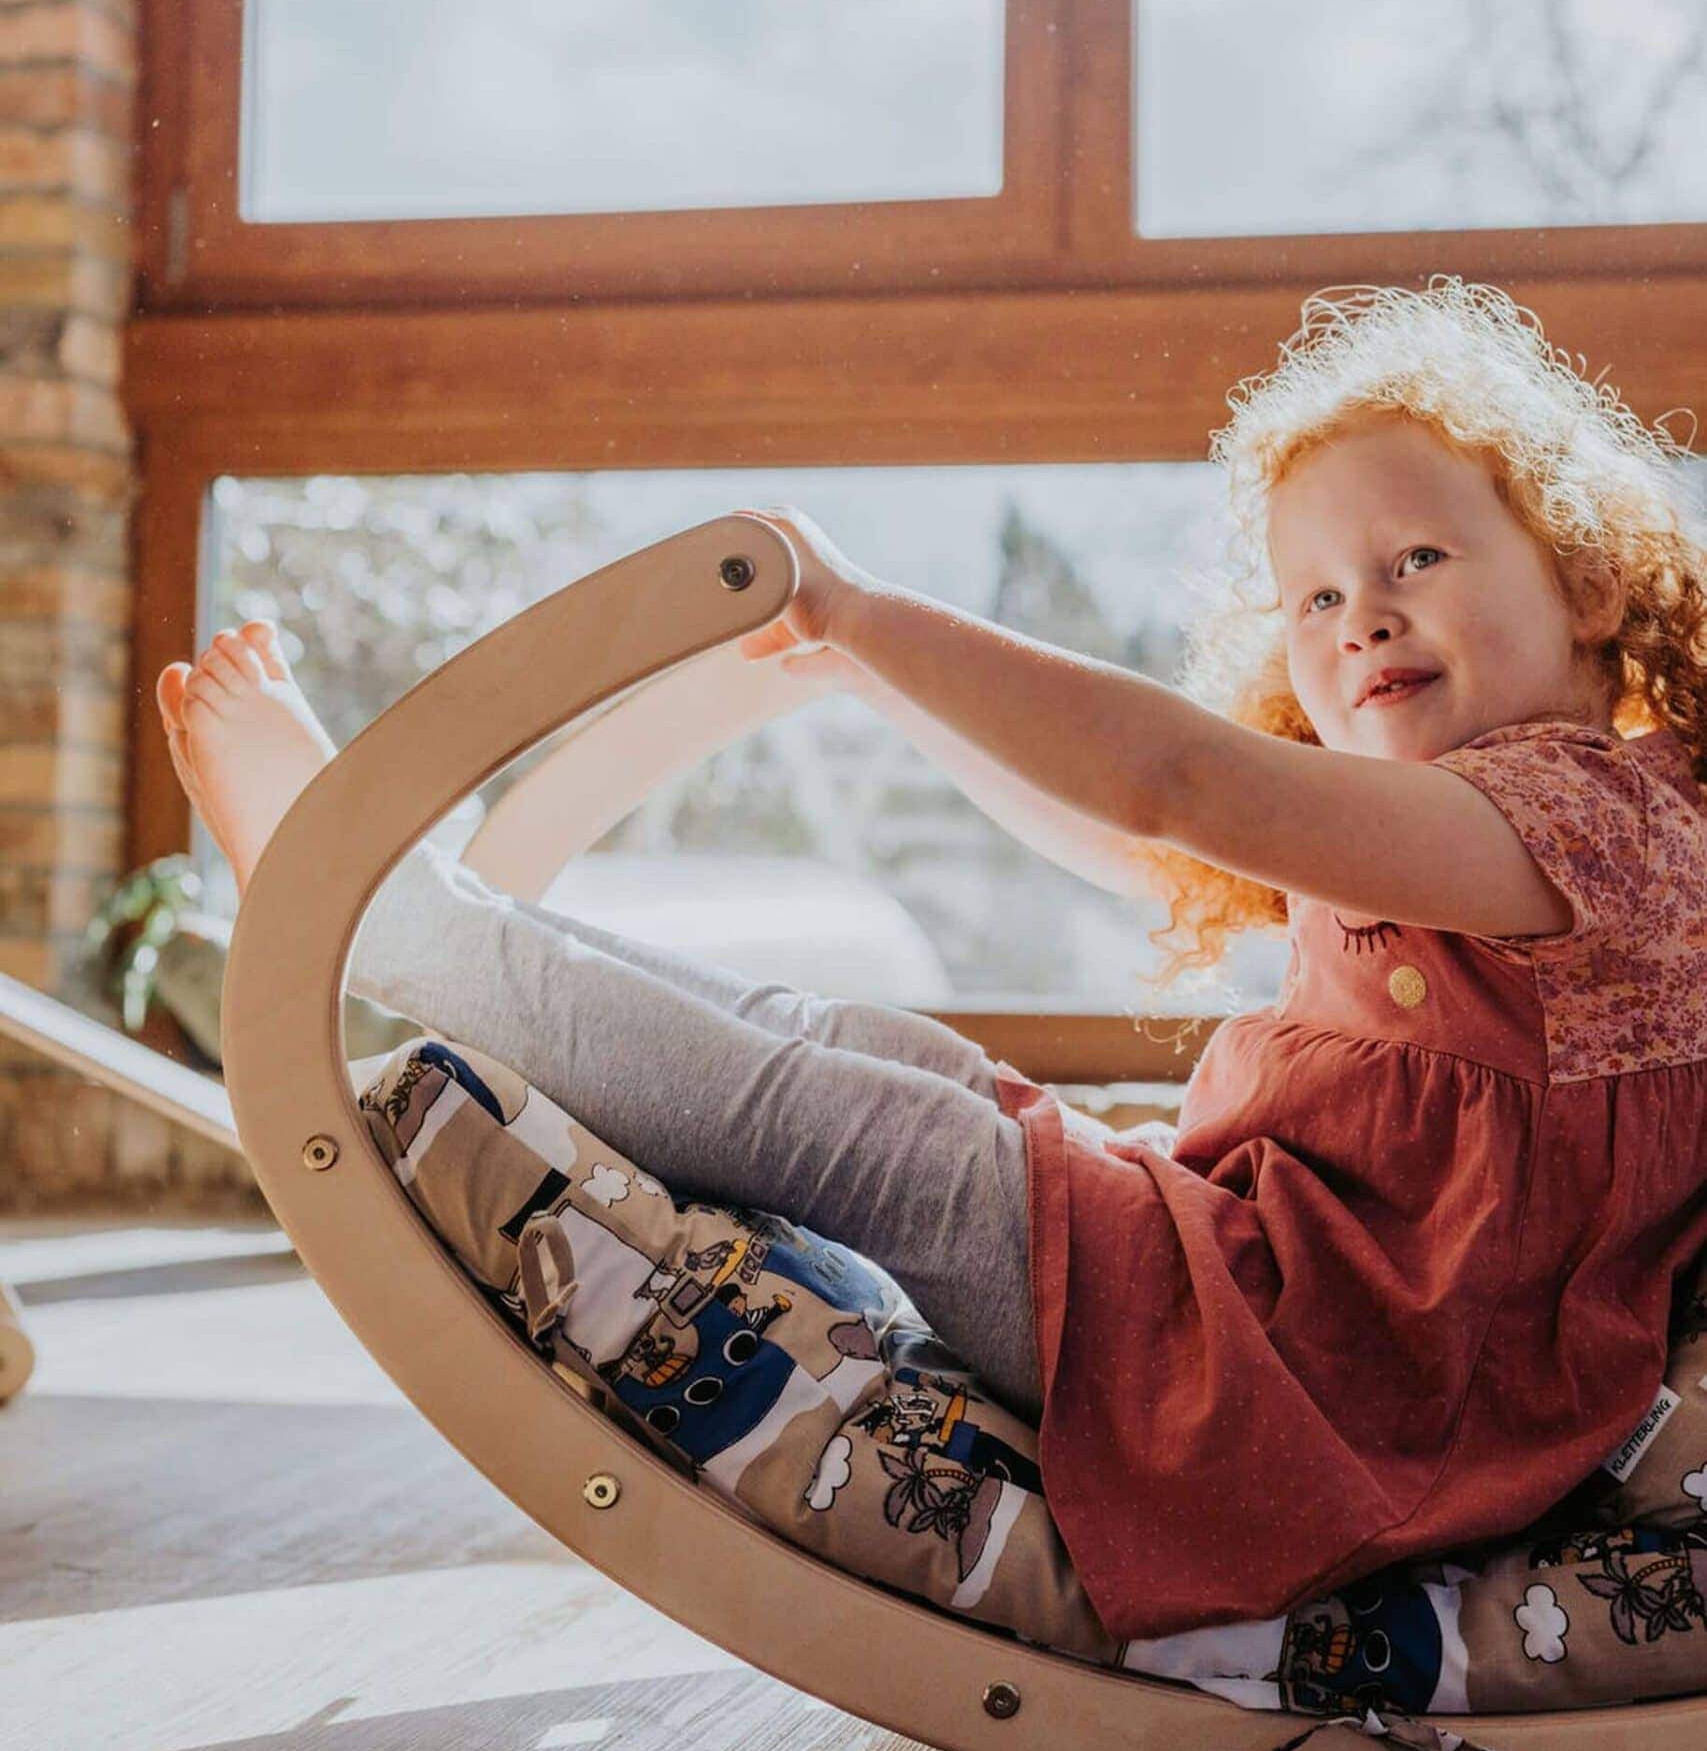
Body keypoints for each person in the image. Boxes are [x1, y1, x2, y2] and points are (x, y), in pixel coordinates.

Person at [155, 276, 1707, 1643]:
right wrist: (873, 680)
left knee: (873, 1122)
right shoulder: (1492, 834)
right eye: (1315, 595)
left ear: (1586, 576)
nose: (1361, 619)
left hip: (1312, 1388)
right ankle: (419, 917)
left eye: (1416, 558)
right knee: (888, 1054)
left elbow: (1170, 786)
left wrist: (865, 608)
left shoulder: (1584, 828)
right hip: (1265, 1309)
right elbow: (1139, 846)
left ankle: (406, 931)